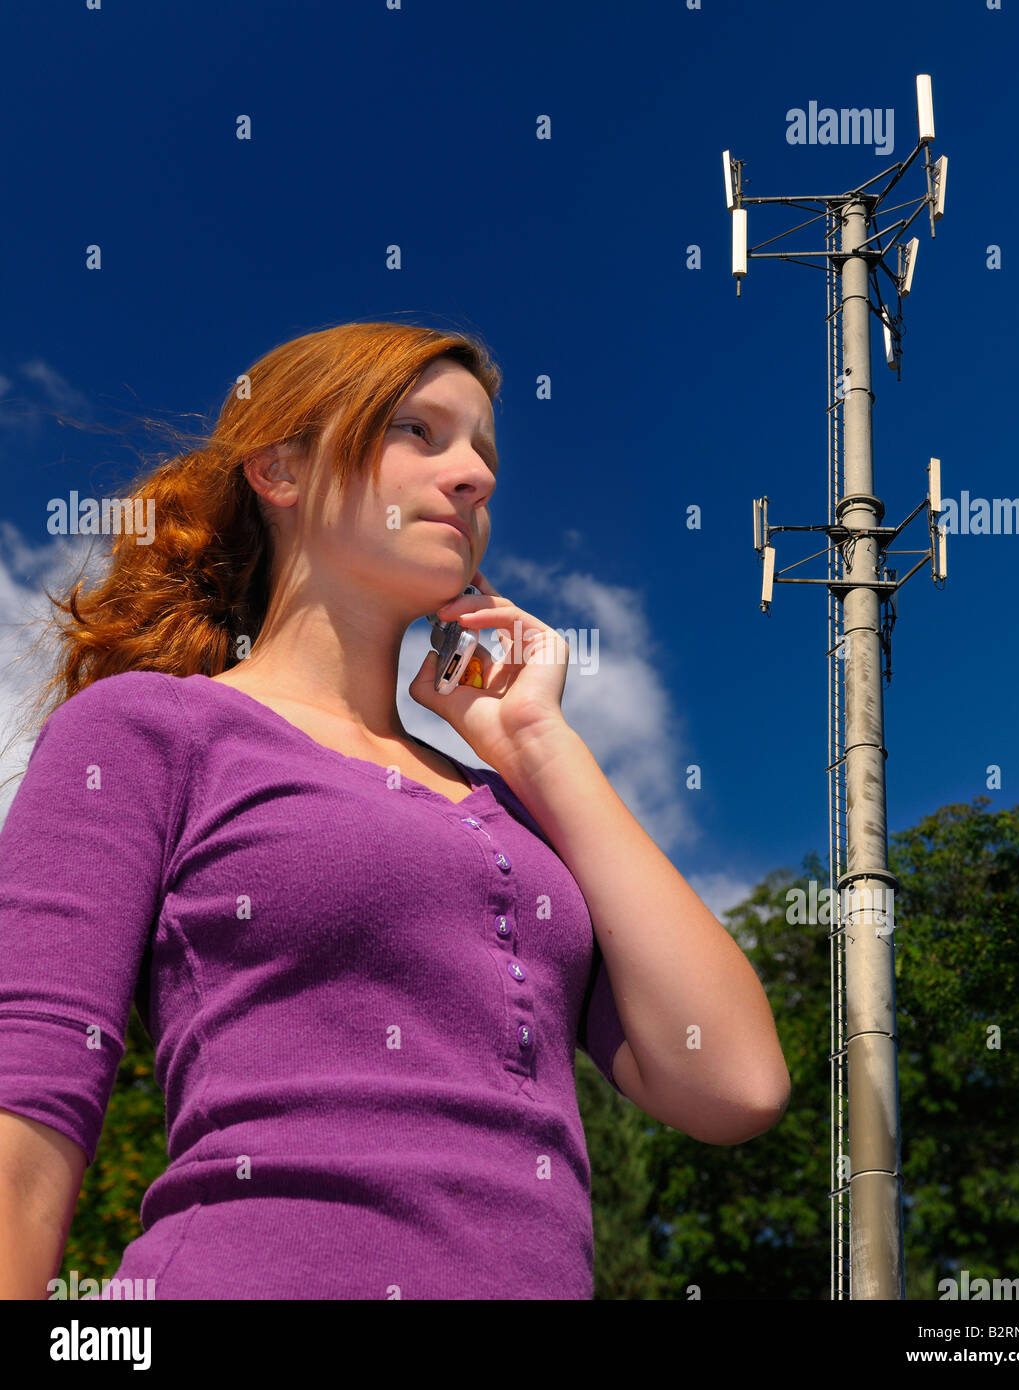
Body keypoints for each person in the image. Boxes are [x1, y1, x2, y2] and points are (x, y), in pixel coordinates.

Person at [0, 321, 791, 1300]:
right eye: (417, 430)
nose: (473, 476)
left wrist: (538, 744)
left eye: (484, 453)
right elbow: (28, 1080)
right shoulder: (149, 727)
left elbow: (733, 1083)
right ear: (278, 469)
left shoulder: (514, 809)